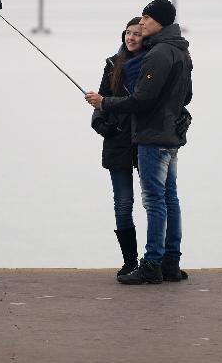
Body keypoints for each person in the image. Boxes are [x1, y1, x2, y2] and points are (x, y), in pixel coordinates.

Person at [85, 0, 193, 285]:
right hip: (170, 135)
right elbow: (186, 97)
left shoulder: (158, 53)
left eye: (146, 18)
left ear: (159, 21)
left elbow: (143, 98)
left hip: (152, 136)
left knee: (155, 201)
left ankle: (152, 264)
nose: (141, 23)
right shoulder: (181, 51)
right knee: (170, 199)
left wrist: (105, 103)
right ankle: (170, 262)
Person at [90, 17, 144, 276]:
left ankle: (156, 260)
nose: (131, 38)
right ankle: (130, 261)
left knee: (156, 201)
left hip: (146, 140)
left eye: (137, 34)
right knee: (123, 203)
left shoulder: (151, 64)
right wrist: (103, 125)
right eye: (128, 33)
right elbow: (101, 101)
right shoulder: (112, 65)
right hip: (118, 142)